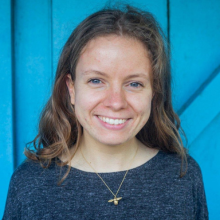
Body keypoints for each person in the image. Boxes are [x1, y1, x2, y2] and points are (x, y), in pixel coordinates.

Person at [3, 4, 208, 220]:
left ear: (154, 92)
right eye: (96, 80)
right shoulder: (29, 184)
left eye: (134, 84)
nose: (116, 102)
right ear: (71, 89)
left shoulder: (183, 177)